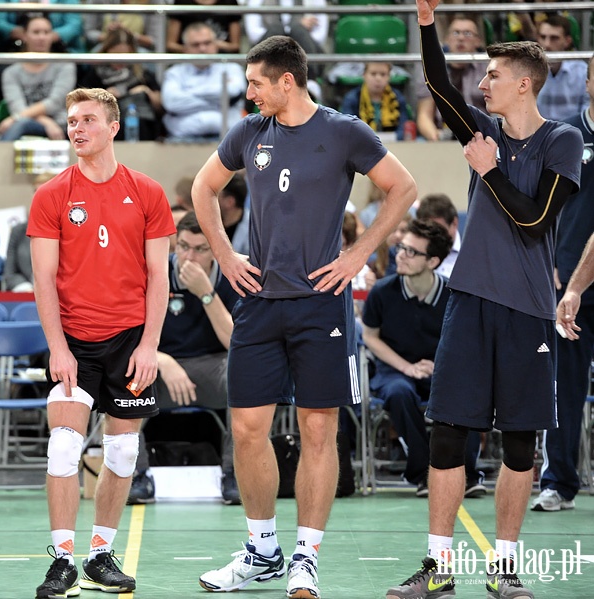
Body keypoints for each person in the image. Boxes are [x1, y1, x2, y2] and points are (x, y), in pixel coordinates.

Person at [191, 35, 417, 598]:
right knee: (247, 430)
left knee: (320, 429)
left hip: (323, 305)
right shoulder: (249, 132)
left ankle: (306, 557)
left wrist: (359, 253)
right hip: (259, 301)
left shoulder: (343, 131)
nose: (249, 93)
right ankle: (261, 551)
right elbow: (203, 187)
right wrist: (223, 253)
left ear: (286, 81)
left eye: (256, 83)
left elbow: (403, 187)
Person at [386, 3, 582, 598]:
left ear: (523, 83)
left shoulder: (564, 139)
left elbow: (534, 221)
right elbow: (440, 86)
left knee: (521, 442)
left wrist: (489, 173)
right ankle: (439, 568)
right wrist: (426, 24)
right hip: (468, 304)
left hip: (527, 312)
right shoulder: (482, 132)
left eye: (493, 74)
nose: (483, 82)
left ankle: (504, 570)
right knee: (449, 432)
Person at [27, 87, 175, 599]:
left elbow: (160, 275)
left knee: (121, 451)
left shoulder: (148, 192)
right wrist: (57, 347)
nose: (77, 128)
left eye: (88, 119)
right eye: (71, 121)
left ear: (113, 127)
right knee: (64, 448)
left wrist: (149, 344)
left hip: (130, 339)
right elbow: (43, 281)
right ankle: (62, 559)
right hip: (72, 339)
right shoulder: (51, 195)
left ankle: (99, 554)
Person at [362, 219, 485, 498]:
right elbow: (370, 337)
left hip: (441, 369)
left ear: (433, 261)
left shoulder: (453, 294)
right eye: (402, 248)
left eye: (412, 252)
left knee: (463, 392)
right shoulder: (383, 292)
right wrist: (406, 367)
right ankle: (423, 473)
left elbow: (466, 341)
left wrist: (439, 366)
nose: (401, 255)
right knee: (398, 392)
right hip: (395, 370)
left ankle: (467, 472)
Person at [130, 210, 240, 505]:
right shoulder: (152, 272)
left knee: (246, 374)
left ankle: (235, 473)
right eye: (183, 246)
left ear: (215, 250)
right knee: (124, 375)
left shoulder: (233, 275)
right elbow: (127, 336)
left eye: (201, 249)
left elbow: (235, 343)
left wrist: (206, 294)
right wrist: (161, 359)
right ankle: (135, 475)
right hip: (159, 366)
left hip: (214, 365)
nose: (189, 257)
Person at [531, 54, 594, 513]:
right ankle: (558, 482)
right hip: (568, 281)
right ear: (587, 83)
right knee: (562, 386)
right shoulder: (564, 135)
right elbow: (540, 207)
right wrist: (546, 261)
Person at [0, 14, 77, 142]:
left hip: (61, 125)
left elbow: (55, 103)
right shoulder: (11, 72)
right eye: (36, 32)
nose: (41, 37)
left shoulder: (65, 66)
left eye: (46, 32)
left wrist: (14, 118)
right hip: (24, 123)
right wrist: (45, 121)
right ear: (25, 36)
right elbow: (18, 108)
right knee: (18, 126)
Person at [162, 23, 246, 141]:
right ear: (185, 49)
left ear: (216, 45)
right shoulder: (174, 72)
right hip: (182, 140)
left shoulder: (232, 68)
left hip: (229, 139)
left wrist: (189, 91)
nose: (202, 49)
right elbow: (172, 103)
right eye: (195, 45)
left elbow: (233, 92)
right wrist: (219, 101)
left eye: (207, 43)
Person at [79, 25, 162, 141]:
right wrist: (103, 97)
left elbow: (160, 106)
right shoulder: (95, 74)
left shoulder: (141, 73)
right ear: (107, 52)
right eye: (116, 56)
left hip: (141, 126)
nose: (120, 61)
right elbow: (81, 106)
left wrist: (146, 91)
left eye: (125, 56)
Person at [415, 14, 487, 142]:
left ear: (478, 41)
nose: (460, 38)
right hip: (443, 135)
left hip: (482, 135)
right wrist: (434, 136)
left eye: (467, 33)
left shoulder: (488, 69)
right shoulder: (431, 68)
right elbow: (424, 115)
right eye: (456, 33)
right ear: (447, 39)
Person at [535, 15, 588, 122]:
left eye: (554, 38)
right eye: (543, 37)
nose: (547, 44)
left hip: (573, 134)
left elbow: (587, 114)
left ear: (567, 41)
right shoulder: (529, 70)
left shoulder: (582, 72)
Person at [340, 62, 412, 142]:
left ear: (389, 77)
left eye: (383, 74)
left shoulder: (398, 98)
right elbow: (348, 129)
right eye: (373, 74)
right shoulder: (352, 98)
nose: (378, 78)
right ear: (364, 75)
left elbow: (404, 129)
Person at [0, 0, 85, 53]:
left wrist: (50, 36)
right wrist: (18, 32)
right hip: (13, 48)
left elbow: (75, 24)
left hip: (60, 49)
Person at [166, 0, 242, 54]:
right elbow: (171, 44)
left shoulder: (229, 2)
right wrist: (192, 48)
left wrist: (215, 46)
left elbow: (235, 46)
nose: (202, 49)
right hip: (188, 61)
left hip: (222, 59)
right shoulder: (182, 2)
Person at [415, 193, 461, 279]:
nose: (433, 235)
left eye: (438, 229)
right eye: (428, 230)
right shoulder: (411, 252)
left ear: (454, 223)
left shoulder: (474, 251)